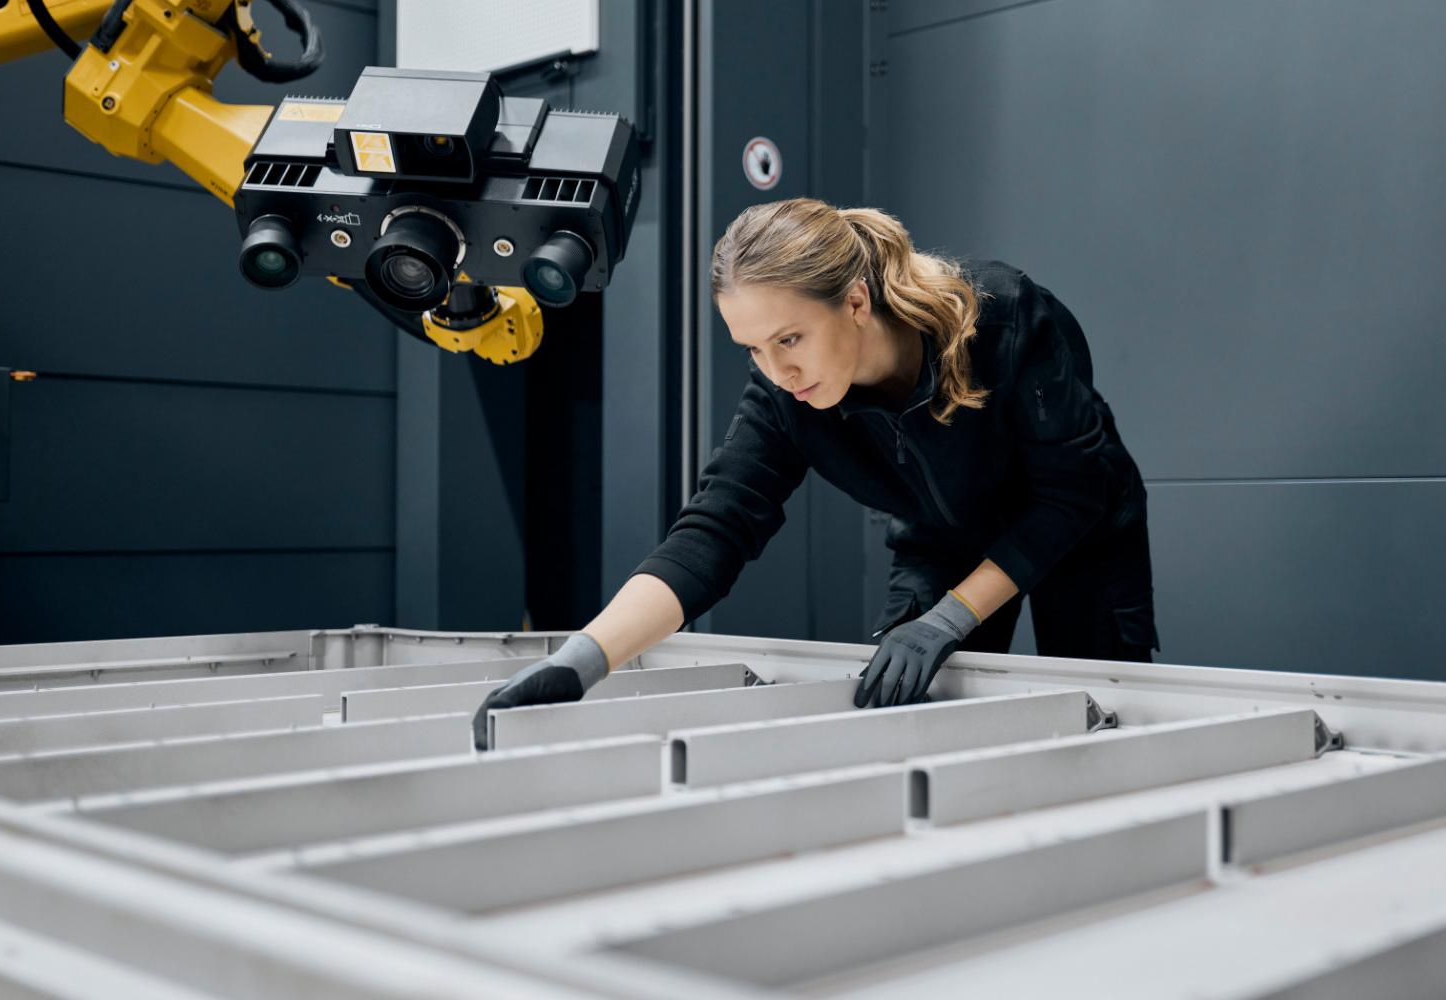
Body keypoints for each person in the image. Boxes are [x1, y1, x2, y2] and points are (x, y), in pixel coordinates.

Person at [473, 198, 1154, 749]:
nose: (778, 372)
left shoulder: (1003, 318)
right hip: (944, 538)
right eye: (754, 349)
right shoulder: (782, 391)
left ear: (855, 302)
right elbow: (716, 527)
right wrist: (582, 661)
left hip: (1076, 528)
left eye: (790, 339)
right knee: (910, 721)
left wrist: (952, 616)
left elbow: (1073, 494)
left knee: (1100, 719)